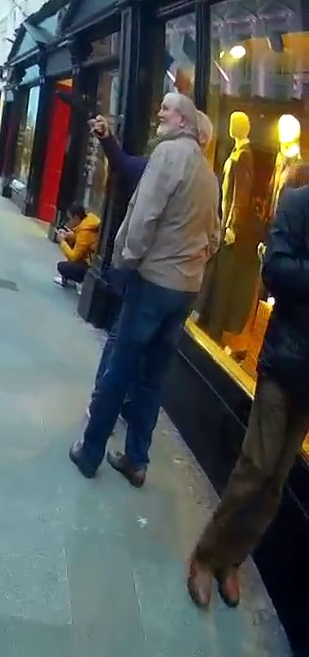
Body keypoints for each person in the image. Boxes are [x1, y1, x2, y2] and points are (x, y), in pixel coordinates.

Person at [68, 92, 221, 487]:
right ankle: (136, 460)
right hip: (185, 290)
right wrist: (189, 264)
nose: (159, 114)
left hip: (152, 282)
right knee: (153, 378)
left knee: (121, 366)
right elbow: (215, 238)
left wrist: (126, 264)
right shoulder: (209, 175)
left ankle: (90, 451)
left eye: (165, 109)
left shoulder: (168, 156)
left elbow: (143, 217)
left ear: (183, 122)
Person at [187, 165, 309, 610]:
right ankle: (205, 556)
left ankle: (233, 561)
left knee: (277, 480)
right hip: (286, 360)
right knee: (256, 465)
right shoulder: (298, 204)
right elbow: (275, 268)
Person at [54, 202, 101, 288]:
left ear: (76, 218)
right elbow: (81, 238)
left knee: (61, 266)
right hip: (90, 259)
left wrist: (62, 242)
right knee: (70, 242)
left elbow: (73, 256)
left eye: (70, 219)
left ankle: (78, 280)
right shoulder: (88, 221)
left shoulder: (85, 232)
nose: (69, 222)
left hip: (89, 266)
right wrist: (69, 235)